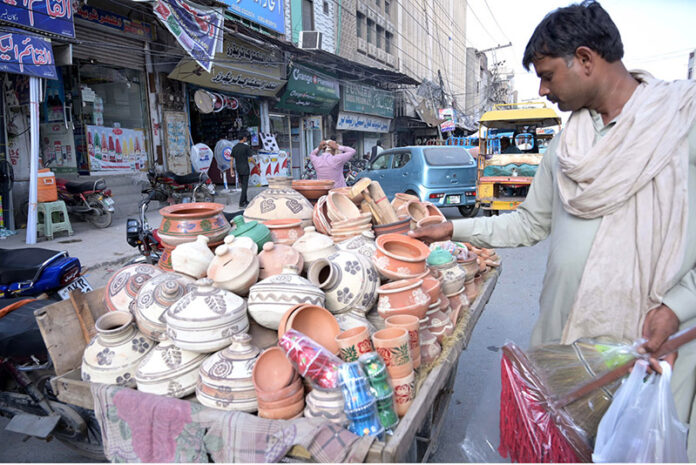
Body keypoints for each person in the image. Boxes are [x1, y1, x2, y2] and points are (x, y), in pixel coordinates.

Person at [409, 1, 696, 458]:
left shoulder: (682, 121)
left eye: (546, 75)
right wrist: (453, 229)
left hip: (655, 343)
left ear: (584, 60)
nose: (542, 90)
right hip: (566, 343)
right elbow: (529, 223)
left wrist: (677, 307)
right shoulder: (569, 142)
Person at [230, 130, 252, 208]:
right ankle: (241, 203)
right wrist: (257, 166)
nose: (246, 138)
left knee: (243, 185)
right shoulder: (246, 147)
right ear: (243, 138)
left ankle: (245, 201)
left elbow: (231, 159)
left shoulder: (234, 147)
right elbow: (251, 158)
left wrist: (231, 170)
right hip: (245, 168)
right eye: (245, 137)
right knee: (245, 187)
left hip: (238, 169)